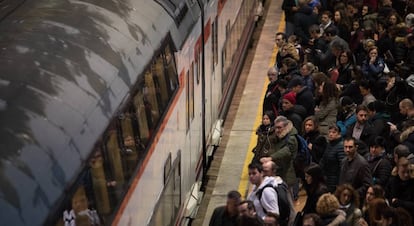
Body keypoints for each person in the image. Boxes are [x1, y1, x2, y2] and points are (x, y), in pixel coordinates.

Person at [260, 116, 298, 191]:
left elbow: (286, 151)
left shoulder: (291, 138)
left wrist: (270, 158)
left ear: (286, 127)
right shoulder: (278, 136)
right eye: (276, 127)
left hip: (287, 172)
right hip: (279, 170)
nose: (277, 130)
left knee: (287, 196)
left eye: (279, 127)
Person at [319, 125, 345, 192]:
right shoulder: (330, 144)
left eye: (334, 132)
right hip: (328, 178)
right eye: (330, 132)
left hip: (335, 181)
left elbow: (342, 166)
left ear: (339, 134)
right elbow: (323, 159)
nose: (331, 134)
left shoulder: (341, 146)